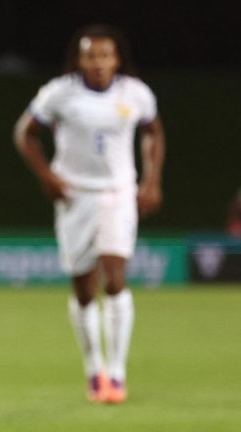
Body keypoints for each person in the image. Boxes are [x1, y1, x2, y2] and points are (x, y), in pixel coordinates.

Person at [14, 23, 165, 405]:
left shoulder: (136, 93)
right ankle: (94, 368)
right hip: (75, 196)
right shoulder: (60, 93)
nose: (97, 62)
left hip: (118, 192)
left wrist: (151, 182)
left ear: (116, 58)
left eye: (104, 55)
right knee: (84, 288)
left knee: (114, 276)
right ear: (79, 58)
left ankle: (116, 373)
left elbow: (153, 133)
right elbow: (25, 133)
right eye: (90, 55)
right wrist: (47, 176)